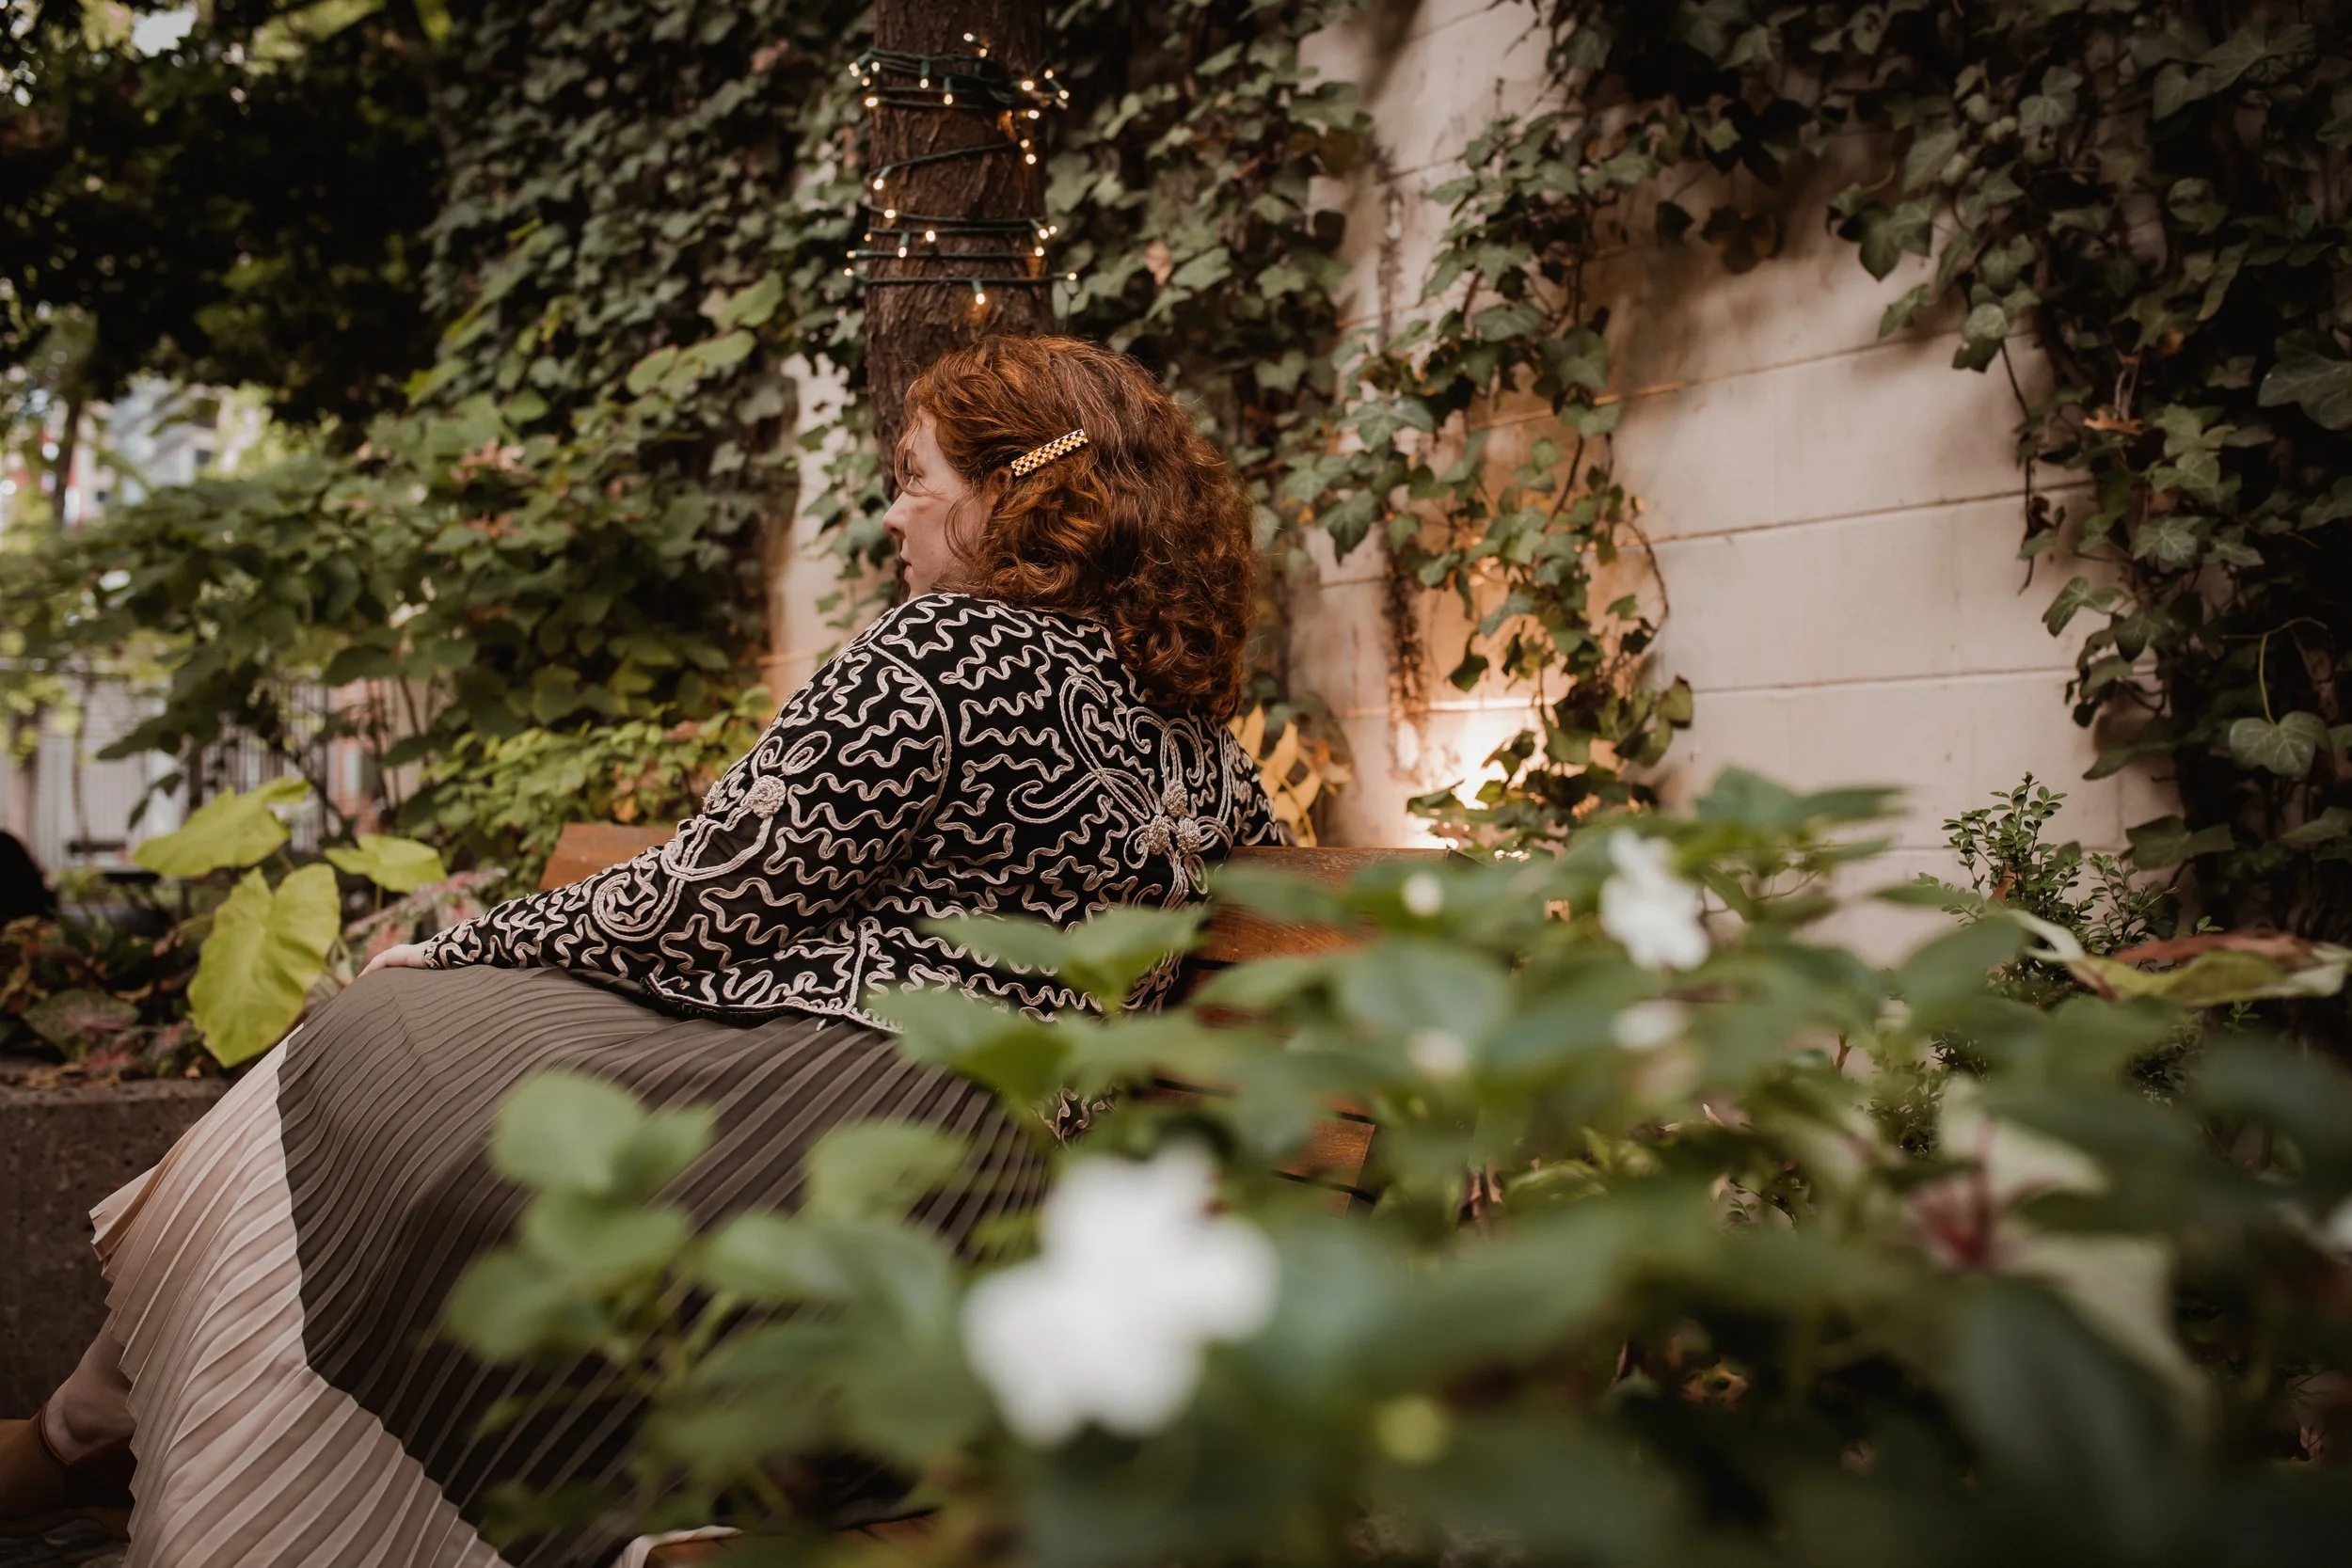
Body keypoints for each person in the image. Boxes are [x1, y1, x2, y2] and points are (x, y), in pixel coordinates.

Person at [0, 335, 1280, 1568]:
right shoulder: (1208, 748)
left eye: (915, 478)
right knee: (410, 1066)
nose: (893, 515)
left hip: (853, 1118)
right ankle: (93, 1429)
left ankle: (94, 1434)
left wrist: (470, 944)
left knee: (368, 1033)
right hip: (996, 1189)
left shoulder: (945, 649)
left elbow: (703, 900)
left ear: (1014, 492)